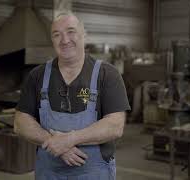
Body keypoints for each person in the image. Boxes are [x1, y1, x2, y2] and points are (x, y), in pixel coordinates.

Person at [14, 11, 130, 180]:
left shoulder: (107, 74)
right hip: (48, 173)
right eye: (57, 34)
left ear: (84, 35)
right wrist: (52, 142)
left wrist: (69, 140)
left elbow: (115, 126)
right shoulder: (37, 76)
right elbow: (20, 122)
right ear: (52, 40)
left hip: (94, 174)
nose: (65, 40)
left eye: (71, 32)